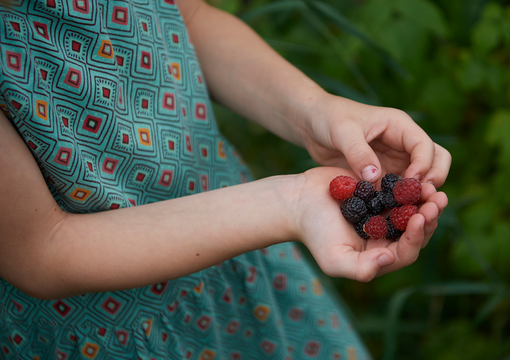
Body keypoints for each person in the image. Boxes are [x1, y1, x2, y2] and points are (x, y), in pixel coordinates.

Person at [0, 0, 450, 358]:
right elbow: (43, 249)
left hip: (238, 253)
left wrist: (314, 111)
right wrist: (285, 203)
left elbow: (189, 16)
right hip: (111, 332)